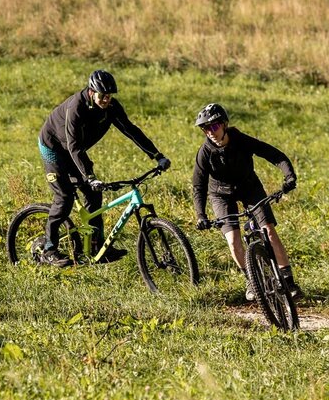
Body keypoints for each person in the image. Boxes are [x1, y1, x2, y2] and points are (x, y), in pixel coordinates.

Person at [37, 69, 171, 267]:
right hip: (54, 149)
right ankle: (48, 249)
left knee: (94, 194)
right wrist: (90, 176)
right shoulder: (76, 108)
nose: (106, 99)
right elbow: (74, 147)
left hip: (75, 151)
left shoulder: (111, 107)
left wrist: (157, 155)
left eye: (110, 96)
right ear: (91, 92)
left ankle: (96, 246)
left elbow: (131, 130)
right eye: (102, 95)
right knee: (64, 198)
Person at [191, 103, 303, 300]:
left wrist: (289, 176)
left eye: (214, 126)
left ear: (224, 124)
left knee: (268, 230)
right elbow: (198, 186)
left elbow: (274, 154)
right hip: (220, 195)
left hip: (250, 188)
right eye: (205, 129)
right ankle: (252, 280)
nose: (210, 132)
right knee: (233, 241)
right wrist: (201, 215)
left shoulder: (240, 140)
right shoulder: (204, 153)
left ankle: (288, 281)